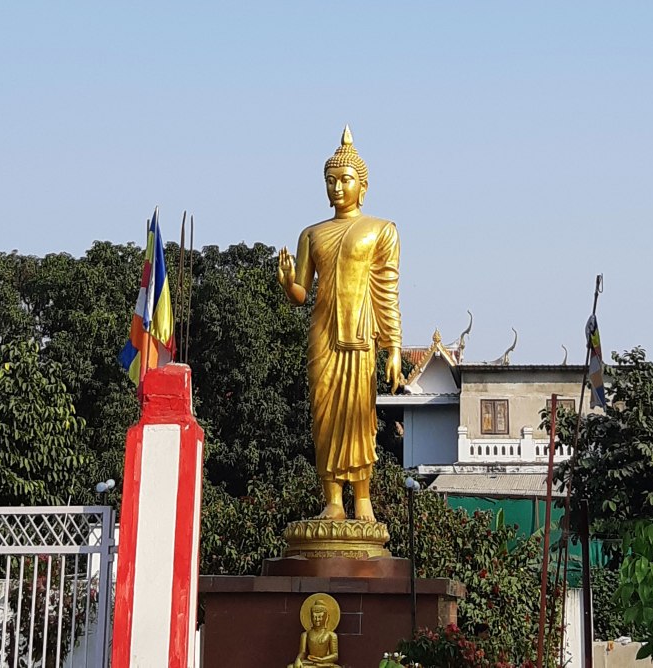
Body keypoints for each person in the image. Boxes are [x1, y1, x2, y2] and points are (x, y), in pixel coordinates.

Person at [278, 126, 404, 523]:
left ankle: (362, 496)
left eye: (345, 180)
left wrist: (395, 346)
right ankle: (332, 499)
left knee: (358, 415)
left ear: (362, 185)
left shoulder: (381, 230)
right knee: (326, 416)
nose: (336, 188)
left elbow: (386, 290)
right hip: (322, 336)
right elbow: (303, 291)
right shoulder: (311, 234)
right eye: (330, 181)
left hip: (360, 336)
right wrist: (287, 283)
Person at [288, 601, 340, 668]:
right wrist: (298, 659)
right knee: (290, 667)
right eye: (314, 617)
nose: (317, 620)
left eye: (320, 617)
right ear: (311, 618)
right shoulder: (305, 634)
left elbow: (335, 656)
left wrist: (321, 659)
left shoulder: (331, 635)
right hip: (310, 663)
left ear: (326, 617)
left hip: (324, 663)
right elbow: (302, 652)